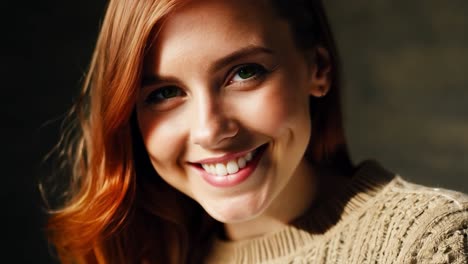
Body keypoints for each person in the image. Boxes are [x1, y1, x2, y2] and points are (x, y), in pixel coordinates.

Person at [45, 0, 468, 263]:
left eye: (244, 73)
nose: (210, 130)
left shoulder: (429, 244)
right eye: (164, 93)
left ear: (317, 69)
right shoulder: (151, 254)